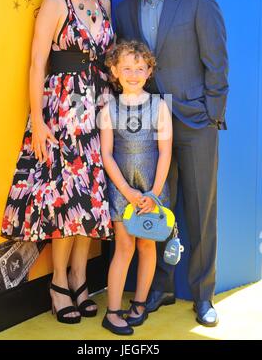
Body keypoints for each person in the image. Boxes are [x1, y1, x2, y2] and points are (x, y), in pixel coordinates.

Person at [115, 0, 229, 327]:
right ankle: (159, 288)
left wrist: (212, 113)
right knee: (156, 210)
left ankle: (203, 296)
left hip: (195, 124)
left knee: (200, 212)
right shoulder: (124, 10)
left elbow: (217, 61)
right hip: (145, 133)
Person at [1, 0, 114, 324]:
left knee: (91, 202)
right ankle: (59, 283)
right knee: (65, 203)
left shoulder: (103, 2)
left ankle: (82, 279)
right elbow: (37, 65)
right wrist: (39, 121)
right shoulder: (55, 1)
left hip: (96, 110)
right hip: (62, 111)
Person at [100, 40, 172, 335]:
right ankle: (113, 311)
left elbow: (165, 152)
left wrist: (154, 194)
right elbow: (106, 154)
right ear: (115, 71)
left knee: (147, 244)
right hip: (122, 189)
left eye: (139, 68)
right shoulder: (108, 108)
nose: (133, 74)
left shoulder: (160, 105)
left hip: (152, 190)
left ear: (149, 70)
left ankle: (139, 304)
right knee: (125, 246)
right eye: (126, 68)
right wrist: (127, 192)